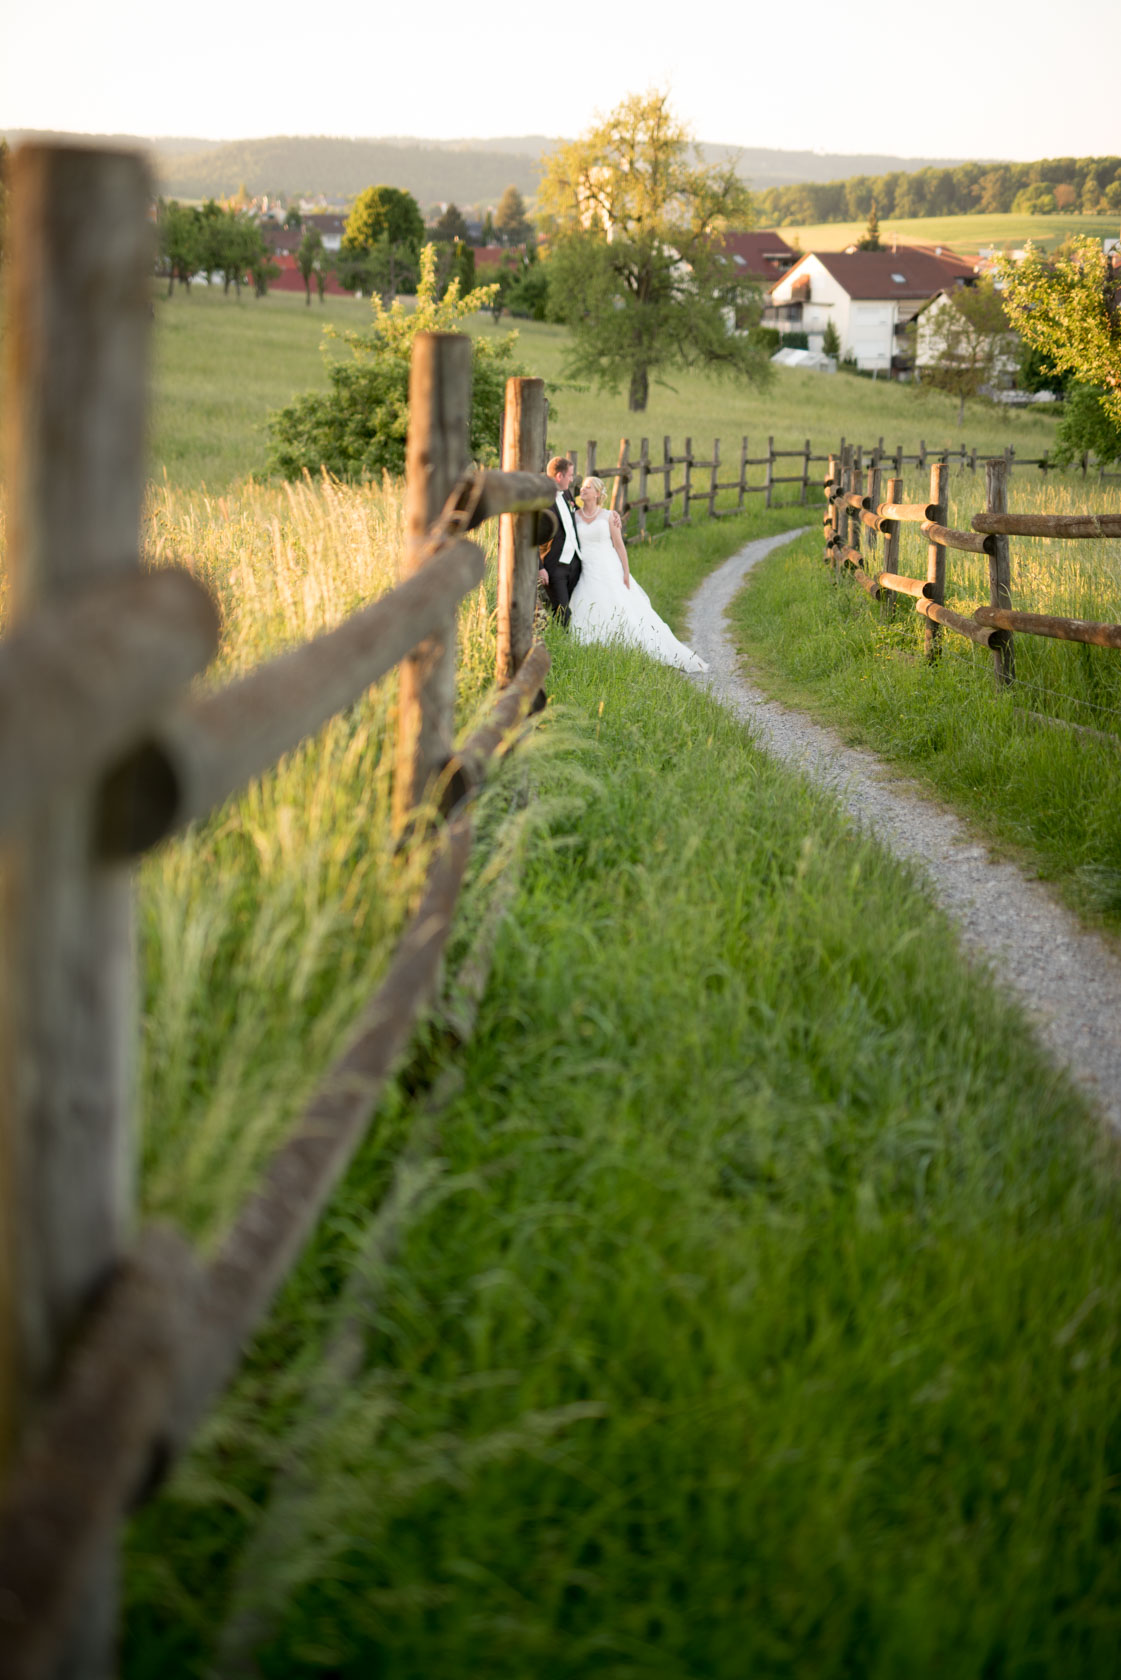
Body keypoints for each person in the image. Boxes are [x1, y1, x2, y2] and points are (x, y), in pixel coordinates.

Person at [568, 477, 709, 673]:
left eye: (588, 487)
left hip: (609, 567)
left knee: (621, 605)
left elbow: (619, 546)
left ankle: (635, 646)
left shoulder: (609, 516)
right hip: (587, 569)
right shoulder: (574, 516)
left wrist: (626, 572)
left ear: (597, 493)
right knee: (589, 604)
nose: (583, 490)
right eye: (582, 486)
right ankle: (596, 647)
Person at [537, 456, 583, 626]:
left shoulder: (567, 493)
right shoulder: (541, 500)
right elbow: (531, 536)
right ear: (559, 476)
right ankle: (562, 646)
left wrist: (607, 516)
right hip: (554, 566)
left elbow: (579, 514)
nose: (572, 479)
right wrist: (540, 568)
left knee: (576, 606)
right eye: (570, 476)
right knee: (563, 612)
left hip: (575, 563)